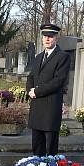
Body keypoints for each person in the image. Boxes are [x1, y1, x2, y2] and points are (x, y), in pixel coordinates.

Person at [27, 23, 70, 156]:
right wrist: (29, 90)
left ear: (56, 37)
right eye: (45, 36)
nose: (47, 39)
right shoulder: (38, 57)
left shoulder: (63, 57)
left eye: (50, 36)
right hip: (37, 107)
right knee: (37, 146)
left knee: (50, 148)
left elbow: (58, 81)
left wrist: (37, 91)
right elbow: (31, 76)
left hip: (51, 108)